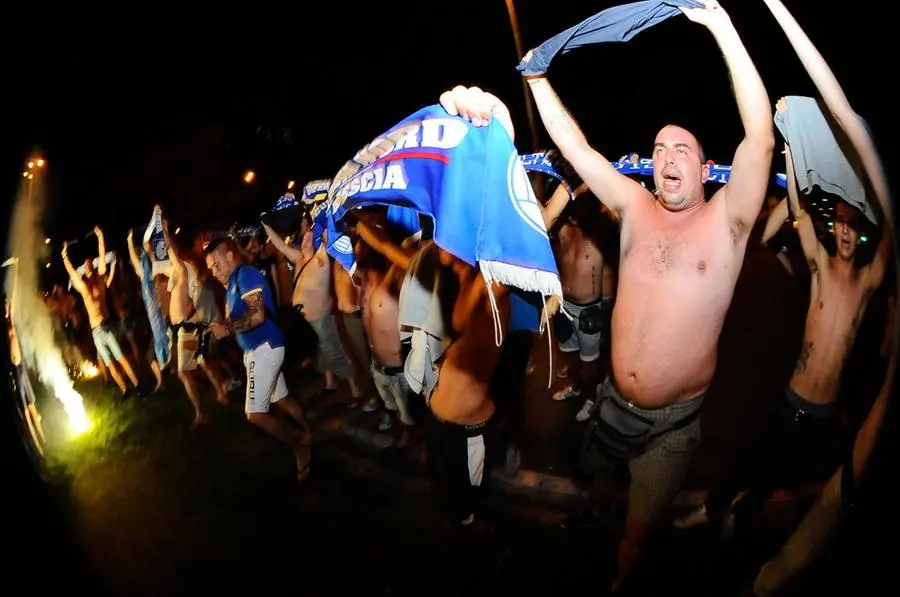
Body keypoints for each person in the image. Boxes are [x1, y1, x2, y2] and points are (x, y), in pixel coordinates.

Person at [438, 0, 774, 587]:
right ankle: (595, 509)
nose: (667, 157)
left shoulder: (729, 222)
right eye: (660, 149)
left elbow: (761, 139)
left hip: (675, 422)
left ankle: (623, 570)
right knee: (599, 471)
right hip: (617, 400)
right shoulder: (635, 205)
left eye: (682, 151)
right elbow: (580, 152)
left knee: (637, 534)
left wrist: (721, 25)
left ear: (705, 167)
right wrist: (536, 79)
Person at [205, 237, 312, 481]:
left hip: (265, 348)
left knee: (255, 414)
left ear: (230, 256)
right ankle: (307, 431)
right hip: (257, 350)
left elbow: (258, 315)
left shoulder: (246, 274)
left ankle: (299, 446)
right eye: (210, 267)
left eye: (216, 264)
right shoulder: (233, 282)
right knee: (282, 398)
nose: (213, 271)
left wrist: (227, 329)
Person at [62, 226, 141, 398]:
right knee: (110, 363)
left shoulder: (99, 281)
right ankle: (125, 389)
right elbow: (72, 274)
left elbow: (103, 257)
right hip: (96, 332)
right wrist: (64, 256)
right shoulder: (83, 288)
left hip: (106, 325)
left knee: (120, 358)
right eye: (85, 264)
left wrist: (100, 237)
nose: (88, 265)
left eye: (90, 263)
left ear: (94, 265)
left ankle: (137, 384)